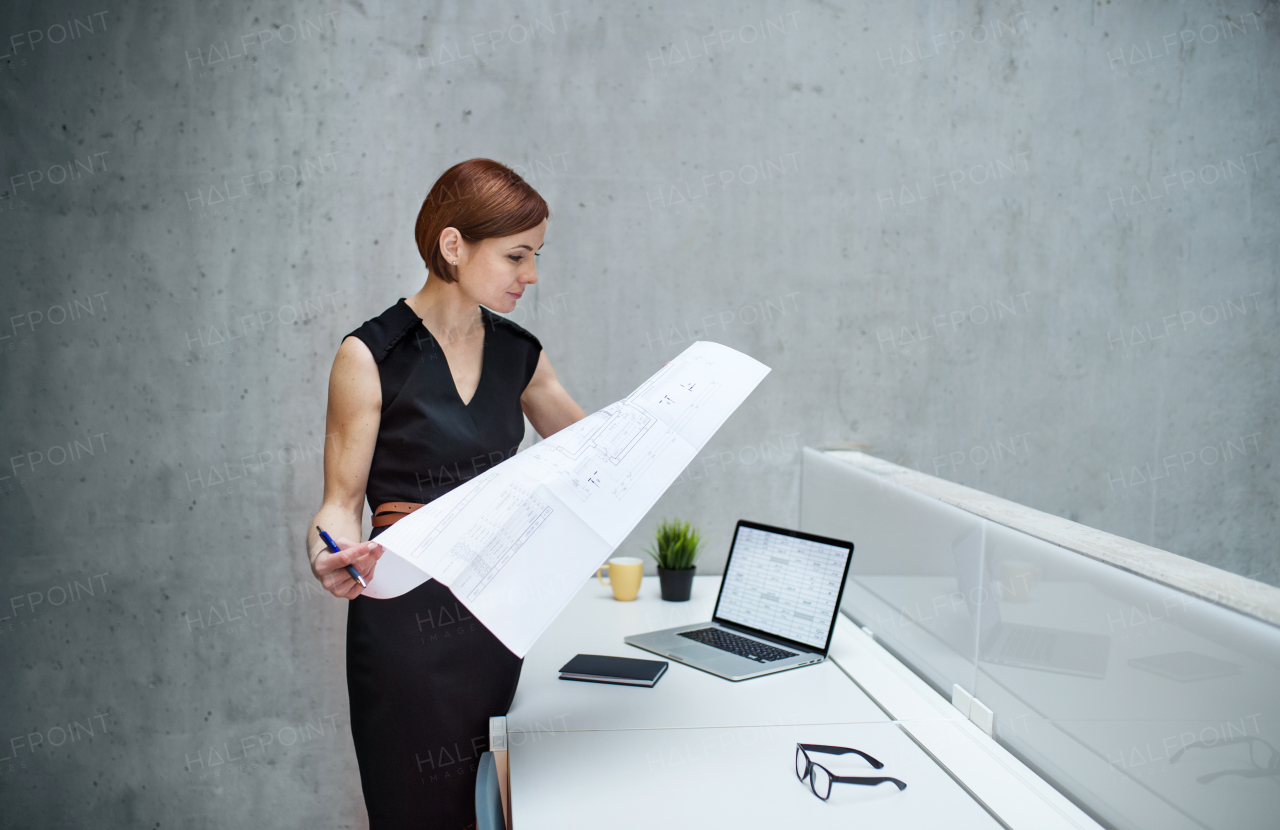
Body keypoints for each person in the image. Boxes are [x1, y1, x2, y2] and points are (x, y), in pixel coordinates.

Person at [305, 158, 586, 829]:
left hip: (497, 613)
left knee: (491, 804)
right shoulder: (370, 354)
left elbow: (594, 455)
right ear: (453, 245)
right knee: (414, 808)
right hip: (406, 619)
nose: (533, 276)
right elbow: (340, 502)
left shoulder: (522, 354)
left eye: (537, 256)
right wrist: (330, 549)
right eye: (517, 256)